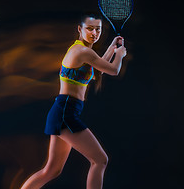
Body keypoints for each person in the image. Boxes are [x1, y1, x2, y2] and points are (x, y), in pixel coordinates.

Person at [20, 13, 127, 189]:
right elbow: (113, 70)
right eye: (90, 28)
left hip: (62, 111)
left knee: (51, 171)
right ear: (80, 29)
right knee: (100, 160)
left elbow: (97, 67)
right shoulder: (83, 52)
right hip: (65, 113)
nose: (94, 33)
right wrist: (120, 55)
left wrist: (111, 48)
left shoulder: (81, 50)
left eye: (98, 29)